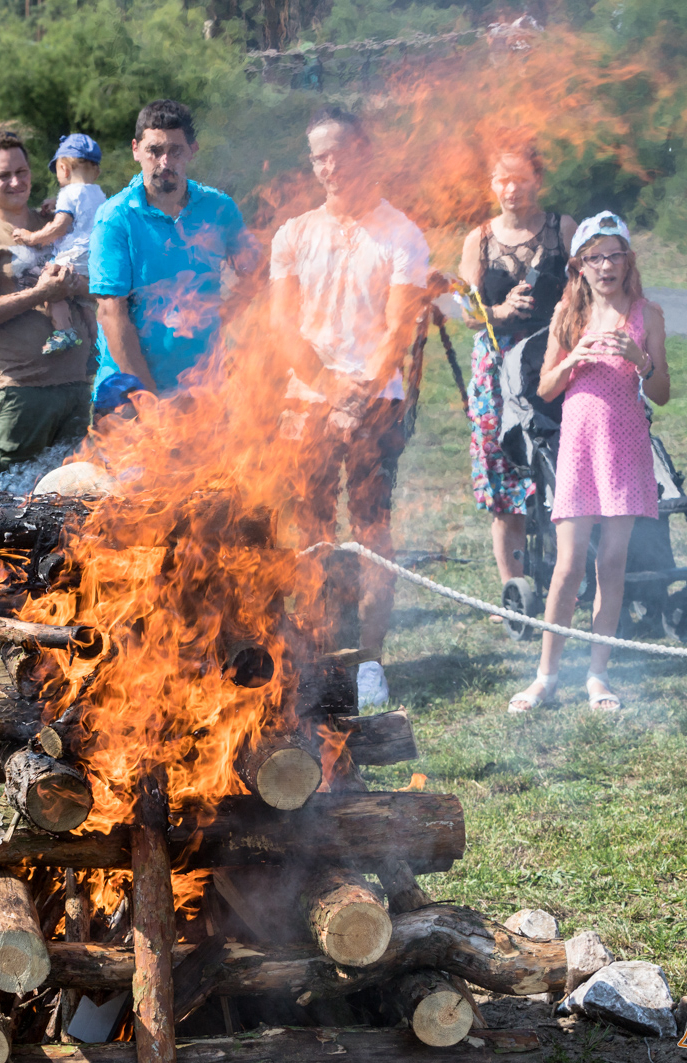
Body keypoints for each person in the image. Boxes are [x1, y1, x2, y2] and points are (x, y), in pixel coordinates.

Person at [270, 107, 431, 707]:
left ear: (365, 152)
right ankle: (316, 653)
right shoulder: (294, 233)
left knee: (371, 529)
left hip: (377, 400)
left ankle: (369, 661)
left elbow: (400, 328)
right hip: (307, 400)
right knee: (310, 529)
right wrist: (328, 388)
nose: (330, 167)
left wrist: (359, 392)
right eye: (318, 157)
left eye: (339, 153)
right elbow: (282, 325)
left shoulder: (402, 235)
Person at [508, 213, 669, 714]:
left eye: (614, 255)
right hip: (578, 444)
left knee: (612, 563)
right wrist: (573, 356)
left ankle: (598, 674)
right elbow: (545, 389)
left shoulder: (648, 314)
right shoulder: (568, 315)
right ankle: (546, 675)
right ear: (579, 266)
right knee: (568, 564)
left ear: (628, 260)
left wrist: (641, 361)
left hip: (625, 446)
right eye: (595, 257)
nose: (606, 266)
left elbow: (662, 394)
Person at [457, 146, 576, 591]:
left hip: (552, 362)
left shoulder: (562, 229)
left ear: (537, 180)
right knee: (503, 470)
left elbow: (589, 288)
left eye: (521, 178)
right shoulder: (479, 239)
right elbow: (468, 312)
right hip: (496, 369)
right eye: (503, 180)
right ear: (491, 184)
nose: (512, 189)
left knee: (558, 465)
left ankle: (568, 576)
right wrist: (500, 310)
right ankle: (515, 588)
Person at [89, 99, 253, 401]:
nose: (165, 162)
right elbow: (112, 314)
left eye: (175, 150)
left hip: (203, 386)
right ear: (136, 149)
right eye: (155, 150)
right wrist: (149, 399)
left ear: (192, 150)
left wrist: (223, 316)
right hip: (126, 391)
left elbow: (255, 275)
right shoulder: (115, 218)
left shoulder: (219, 208)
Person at [0, 128, 93, 478]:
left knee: (71, 513)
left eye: (22, 172)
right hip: (17, 393)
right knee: (10, 514)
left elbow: (100, 286)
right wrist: (38, 294)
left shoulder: (56, 223)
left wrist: (74, 285)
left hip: (76, 386)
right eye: (3, 175)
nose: (16, 181)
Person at [11, 132, 107, 355]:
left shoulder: (68, 192)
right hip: (94, 258)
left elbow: (60, 227)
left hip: (73, 254)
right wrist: (56, 206)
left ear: (63, 169)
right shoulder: (99, 193)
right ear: (97, 170)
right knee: (85, 305)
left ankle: (64, 331)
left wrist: (31, 237)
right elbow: (83, 214)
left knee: (50, 286)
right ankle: (96, 348)